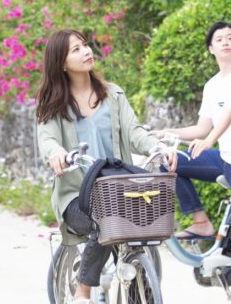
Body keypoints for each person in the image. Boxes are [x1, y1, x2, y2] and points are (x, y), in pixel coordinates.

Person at [37, 29, 175, 304]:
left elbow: (134, 132)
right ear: (62, 63)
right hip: (76, 196)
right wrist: (58, 154)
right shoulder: (53, 105)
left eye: (85, 45)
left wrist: (157, 148)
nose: (86, 51)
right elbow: (48, 140)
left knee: (140, 233)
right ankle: (82, 291)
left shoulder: (113, 95)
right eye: (75, 49)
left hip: (115, 189)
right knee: (104, 222)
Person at [154, 21, 231, 304]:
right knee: (170, 162)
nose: (225, 42)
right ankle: (201, 222)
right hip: (227, 158)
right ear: (211, 49)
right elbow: (201, 128)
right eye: (219, 39)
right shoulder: (212, 85)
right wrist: (167, 133)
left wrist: (209, 141)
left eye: (230, 37)